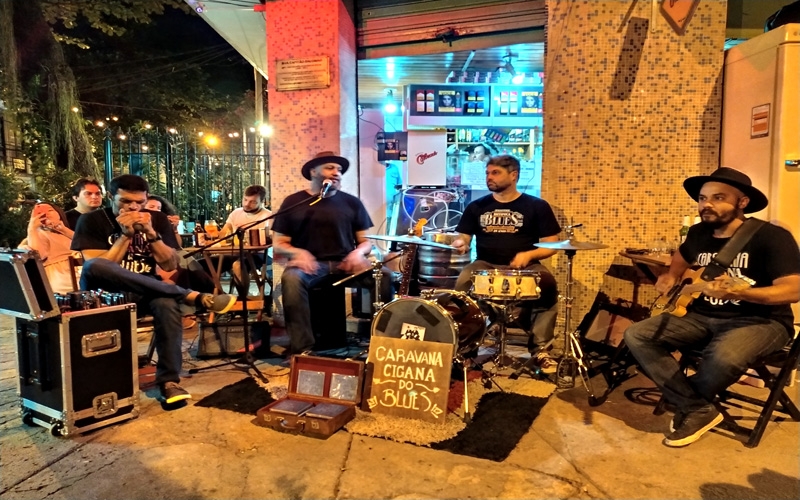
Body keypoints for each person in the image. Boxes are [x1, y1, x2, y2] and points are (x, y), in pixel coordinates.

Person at [624, 167, 800, 448]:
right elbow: (680, 258)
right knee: (637, 334)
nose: (707, 204)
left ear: (742, 202)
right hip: (702, 316)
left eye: (719, 198)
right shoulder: (698, 233)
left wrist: (742, 293)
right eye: (703, 198)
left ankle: (687, 401)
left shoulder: (771, 237)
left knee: (723, 357)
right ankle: (697, 408)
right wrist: (670, 276)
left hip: (763, 321)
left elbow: (793, 290)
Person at [71, 174, 238, 405]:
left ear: (146, 198)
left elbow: (169, 264)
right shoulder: (91, 220)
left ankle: (169, 382)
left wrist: (151, 234)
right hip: (104, 294)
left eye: (139, 202)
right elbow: (101, 268)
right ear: (111, 196)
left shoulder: (157, 219)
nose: (133, 207)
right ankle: (190, 296)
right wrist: (126, 236)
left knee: (166, 303)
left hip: (146, 290)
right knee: (95, 265)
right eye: (125, 201)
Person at [272, 151, 393, 355]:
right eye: (330, 168)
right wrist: (298, 253)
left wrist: (358, 253)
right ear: (313, 172)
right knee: (291, 279)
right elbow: (279, 243)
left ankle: (382, 341)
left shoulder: (352, 202)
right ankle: (303, 350)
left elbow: (366, 241)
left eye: (339, 169)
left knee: (385, 276)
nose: (336, 172)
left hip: (345, 265)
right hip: (312, 267)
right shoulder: (294, 202)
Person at [451, 154, 561, 372]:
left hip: (526, 267)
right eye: (487, 173)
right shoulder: (476, 206)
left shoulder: (536, 206)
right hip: (485, 264)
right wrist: (461, 243)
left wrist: (529, 255)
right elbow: (464, 236)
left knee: (548, 286)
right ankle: (466, 349)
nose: (489, 177)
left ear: (513, 175)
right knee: (462, 284)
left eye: (495, 173)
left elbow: (552, 245)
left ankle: (540, 349)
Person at [219, 185, 272, 289]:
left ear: (262, 201)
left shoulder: (268, 216)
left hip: (260, 255)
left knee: (238, 265)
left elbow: (270, 241)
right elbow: (223, 234)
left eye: (253, 202)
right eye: (245, 200)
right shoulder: (236, 213)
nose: (247, 204)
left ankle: (243, 297)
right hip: (235, 252)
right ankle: (216, 295)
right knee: (203, 264)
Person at [21, 202, 76, 294]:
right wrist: (32, 228)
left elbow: (85, 244)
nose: (45, 213)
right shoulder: (39, 234)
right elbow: (39, 255)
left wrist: (62, 229)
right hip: (61, 275)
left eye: (50, 210)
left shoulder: (63, 231)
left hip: (77, 269)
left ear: (59, 213)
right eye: (39, 212)